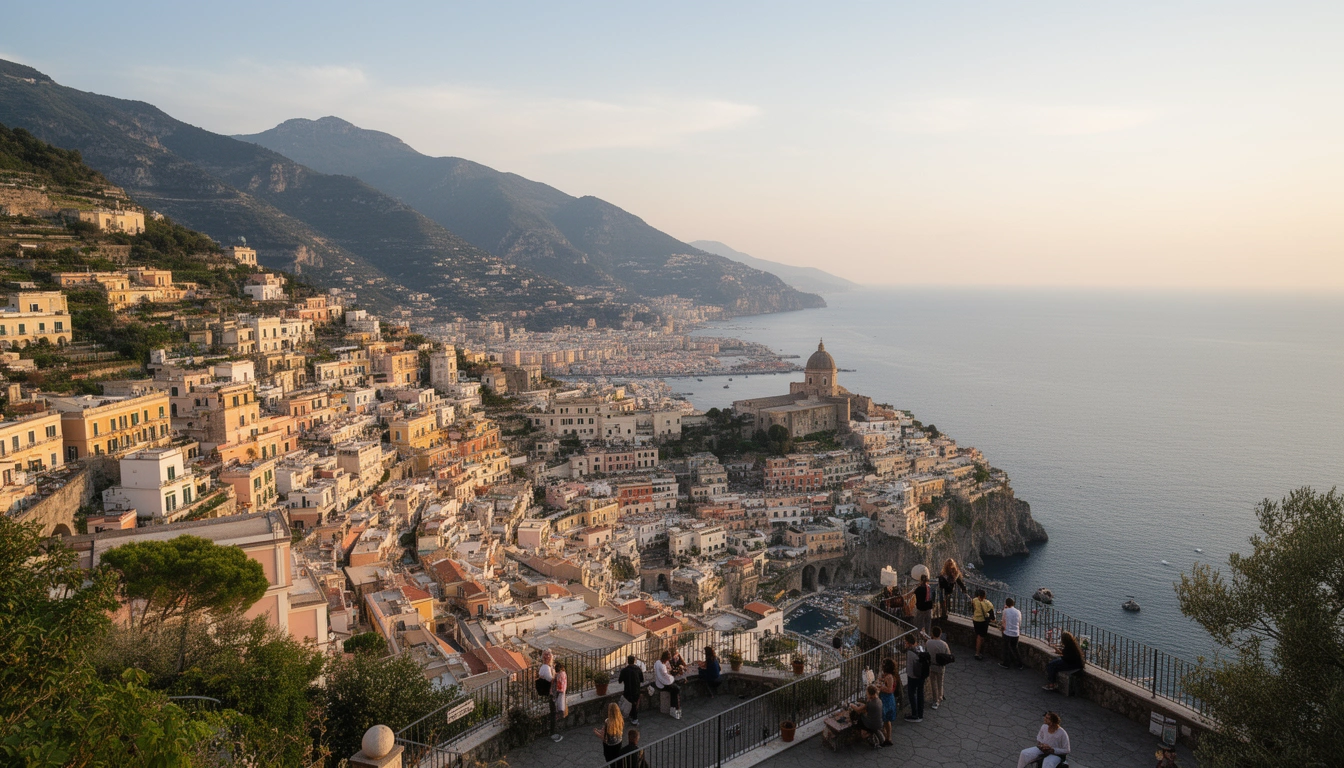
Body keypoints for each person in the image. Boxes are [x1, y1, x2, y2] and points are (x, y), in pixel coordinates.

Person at [902, 634, 928, 723]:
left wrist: (909, 675)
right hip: (922, 675)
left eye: (905, 642)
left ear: (908, 643)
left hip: (913, 676)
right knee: (920, 693)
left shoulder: (910, 652)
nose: (904, 643)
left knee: (911, 694)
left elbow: (909, 667)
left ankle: (915, 714)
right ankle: (920, 713)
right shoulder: (920, 648)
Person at [924, 626, 951, 710]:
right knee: (940, 682)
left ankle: (935, 700)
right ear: (940, 634)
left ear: (932, 633)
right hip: (940, 666)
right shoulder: (944, 644)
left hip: (932, 666)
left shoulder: (928, 642)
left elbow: (926, 651)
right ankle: (940, 696)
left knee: (933, 683)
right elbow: (949, 655)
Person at [538, 650, 562, 742]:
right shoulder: (545, 668)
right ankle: (553, 733)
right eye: (547, 655)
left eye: (549, 654)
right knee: (553, 713)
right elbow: (550, 679)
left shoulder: (547, 667)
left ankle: (553, 732)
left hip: (550, 693)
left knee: (554, 712)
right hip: (550, 694)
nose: (549, 656)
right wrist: (559, 675)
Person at [878, 657, 900, 746]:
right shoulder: (889, 675)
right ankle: (887, 737)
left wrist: (881, 687)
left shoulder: (890, 677)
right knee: (886, 720)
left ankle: (887, 738)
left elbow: (889, 689)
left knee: (886, 719)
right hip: (887, 698)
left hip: (887, 699)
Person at [654, 650, 682, 719]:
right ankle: (674, 708)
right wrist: (672, 676)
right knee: (676, 689)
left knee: (674, 690)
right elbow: (667, 678)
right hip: (662, 685)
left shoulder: (657, 662)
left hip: (658, 682)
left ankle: (674, 707)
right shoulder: (662, 666)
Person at [1000, 597, 1025, 670]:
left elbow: (1003, 622)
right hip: (1016, 633)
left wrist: (1002, 630)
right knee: (1015, 648)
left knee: (1006, 648)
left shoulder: (1005, 611)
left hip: (1007, 632)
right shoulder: (1018, 611)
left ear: (1006, 604)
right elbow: (1019, 622)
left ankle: (1006, 664)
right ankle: (1020, 664)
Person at [907, 572, 936, 637]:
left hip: (921, 608)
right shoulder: (929, 588)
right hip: (928, 607)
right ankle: (927, 636)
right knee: (927, 623)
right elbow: (932, 597)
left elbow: (913, 594)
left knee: (919, 623)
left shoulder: (919, 589)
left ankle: (918, 636)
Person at [619, 655, 644, 725]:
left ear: (627, 661)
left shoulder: (624, 670)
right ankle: (634, 718)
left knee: (629, 702)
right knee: (634, 704)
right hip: (636, 690)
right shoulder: (638, 669)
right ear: (634, 661)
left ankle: (632, 718)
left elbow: (620, 680)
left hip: (627, 691)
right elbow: (642, 680)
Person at [971, 589, 995, 660]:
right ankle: (977, 653)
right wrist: (993, 620)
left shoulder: (974, 600)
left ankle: (980, 651)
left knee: (979, 635)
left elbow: (973, 609)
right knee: (980, 637)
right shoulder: (988, 604)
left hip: (975, 620)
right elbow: (992, 616)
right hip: (982, 622)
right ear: (984, 596)